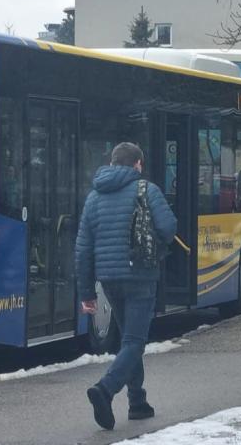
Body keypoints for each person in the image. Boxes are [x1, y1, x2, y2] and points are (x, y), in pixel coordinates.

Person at [75, 142, 178, 430]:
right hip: (141, 276)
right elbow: (169, 227)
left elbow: (82, 250)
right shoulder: (146, 190)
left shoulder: (94, 197)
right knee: (134, 342)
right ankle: (105, 390)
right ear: (137, 164)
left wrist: (86, 293)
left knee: (129, 340)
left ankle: (138, 402)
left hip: (109, 280)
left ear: (111, 163)